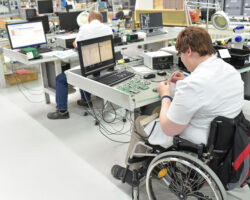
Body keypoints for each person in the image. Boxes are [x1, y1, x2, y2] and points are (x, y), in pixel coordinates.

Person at [111, 26, 244, 184]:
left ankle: (133, 173)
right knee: (156, 111)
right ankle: (152, 160)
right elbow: (211, 90)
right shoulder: (229, 70)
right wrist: (186, 80)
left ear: (188, 51)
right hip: (228, 137)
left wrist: (165, 94)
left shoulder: (194, 84)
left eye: (180, 54)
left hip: (201, 141)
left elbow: (169, 128)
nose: (181, 59)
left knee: (140, 122)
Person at [47, 11, 113, 120]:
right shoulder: (108, 28)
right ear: (101, 20)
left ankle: (62, 111)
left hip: (88, 69)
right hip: (103, 68)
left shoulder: (85, 28)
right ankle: (85, 101)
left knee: (60, 78)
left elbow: (76, 44)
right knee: (86, 70)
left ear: (88, 20)